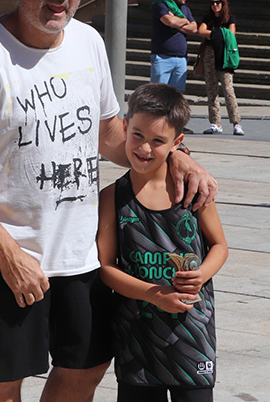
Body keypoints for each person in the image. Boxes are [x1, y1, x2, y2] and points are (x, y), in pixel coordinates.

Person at [0, 0, 218, 402]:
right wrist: (7, 256)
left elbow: (110, 135)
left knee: (85, 371)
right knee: (0, 387)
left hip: (81, 254)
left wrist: (179, 157)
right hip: (5, 255)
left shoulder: (87, 43)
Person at [97, 82, 229, 402]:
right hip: (137, 341)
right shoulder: (113, 197)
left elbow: (219, 246)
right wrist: (155, 294)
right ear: (125, 127)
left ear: (177, 143)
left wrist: (203, 273)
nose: (144, 148)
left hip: (192, 333)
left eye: (158, 141)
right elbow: (105, 267)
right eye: (138, 135)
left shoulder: (193, 190)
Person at [197, 0, 244, 136]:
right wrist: (218, 34)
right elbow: (200, 31)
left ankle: (236, 123)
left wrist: (213, 34)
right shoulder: (208, 18)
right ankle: (215, 123)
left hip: (225, 54)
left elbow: (231, 35)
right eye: (212, 3)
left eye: (218, 2)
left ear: (223, 4)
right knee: (211, 89)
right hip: (210, 53)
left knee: (228, 90)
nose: (215, 5)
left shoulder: (230, 18)